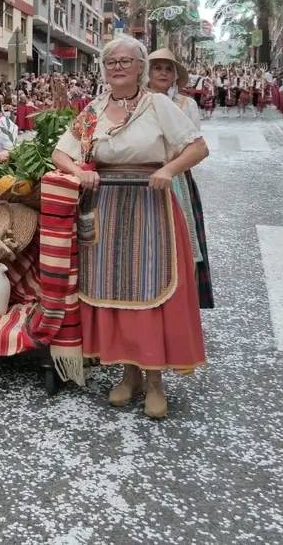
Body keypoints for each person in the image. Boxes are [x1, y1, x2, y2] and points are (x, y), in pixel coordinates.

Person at [51, 36, 209, 419]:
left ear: (140, 67)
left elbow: (198, 147)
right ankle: (129, 374)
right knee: (116, 289)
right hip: (107, 204)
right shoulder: (94, 109)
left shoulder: (159, 105)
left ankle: (155, 380)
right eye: (111, 62)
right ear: (103, 69)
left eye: (126, 61)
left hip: (150, 204)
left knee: (152, 288)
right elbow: (60, 152)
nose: (118, 67)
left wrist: (168, 170)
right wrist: (78, 172)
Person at [147, 49, 213, 310]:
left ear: (175, 76)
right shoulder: (136, 101)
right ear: (147, 73)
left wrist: (169, 164)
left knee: (184, 242)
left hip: (174, 178)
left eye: (168, 68)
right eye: (157, 68)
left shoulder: (187, 105)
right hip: (142, 177)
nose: (163, 72)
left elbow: (192, 146)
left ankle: (183, 304)